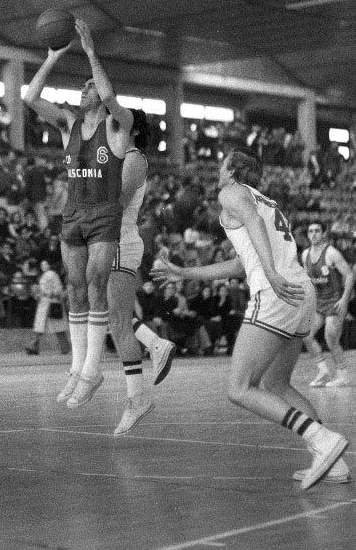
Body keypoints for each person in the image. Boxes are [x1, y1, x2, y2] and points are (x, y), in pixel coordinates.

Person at [151, 148, 349, 490]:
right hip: (301, 291)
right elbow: (240, 265)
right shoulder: (263, 200)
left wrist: (270, 274)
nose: (217, 170)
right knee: (277, 385)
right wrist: (184, 272)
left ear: (233, 171)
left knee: (239, 388)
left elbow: (255, 234)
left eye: (222, 164)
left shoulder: (231, 192)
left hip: (276, 292)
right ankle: (335, 464)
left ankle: (322, 438)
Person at [23, 18, 133, 407]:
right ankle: (77, 368)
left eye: (89, 87)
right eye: (84, 87)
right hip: (73, 212)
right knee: (74, 289)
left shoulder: (120, 127)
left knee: (95, 284)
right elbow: (30, 98)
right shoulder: (69, 123)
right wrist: (51, 59)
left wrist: (89, 52)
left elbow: (106, 90)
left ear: (101, 99)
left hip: (103, 213)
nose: (83, 90)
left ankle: (94, 370)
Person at [106, 109, 176, 436]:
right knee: (111, 317)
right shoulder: (114, 156)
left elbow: (115, 203)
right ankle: (153, 344)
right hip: (110, 239)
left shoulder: (134, 159)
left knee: (117, 321)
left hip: (119, 238)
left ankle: (138, 395)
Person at [301, 221, 354, 387]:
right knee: (306, 335)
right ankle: (323, 371)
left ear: (323, 233)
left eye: (317, 230)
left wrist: (345, 299)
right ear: (308, 235)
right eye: (311, 231)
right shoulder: (305, 255)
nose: (314, 234)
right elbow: (307, 280)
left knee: (330, 339)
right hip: (318, 302)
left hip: (334, 301)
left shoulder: (331, 253)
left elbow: (350, 275)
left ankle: (343, 374)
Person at [26, 260, 70, 356]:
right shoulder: (44, 276)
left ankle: (65, 347)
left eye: (45, 264)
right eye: (42, 264)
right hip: (45, 303)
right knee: (40, 327)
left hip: (52, 303)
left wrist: (49, 294)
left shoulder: (52, 275)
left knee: (58, 328)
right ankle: (33, 346)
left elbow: (58, 289)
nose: (43, 266)